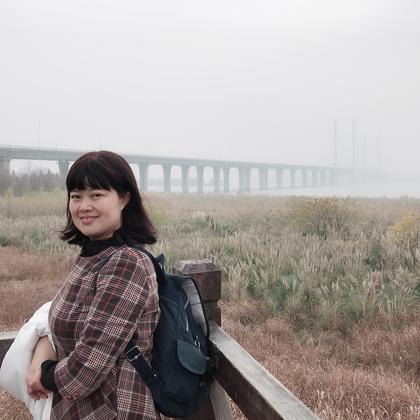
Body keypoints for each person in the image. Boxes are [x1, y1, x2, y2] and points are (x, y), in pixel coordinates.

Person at [25, 151, 160, 419]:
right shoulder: (92, 257)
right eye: (76, 196)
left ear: (124, 198)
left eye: (96, 195)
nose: (83, 206)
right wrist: (42, 349)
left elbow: (87, 368)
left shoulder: (127, 264)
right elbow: (65, 317)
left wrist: (44, 374)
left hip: (116, 410)